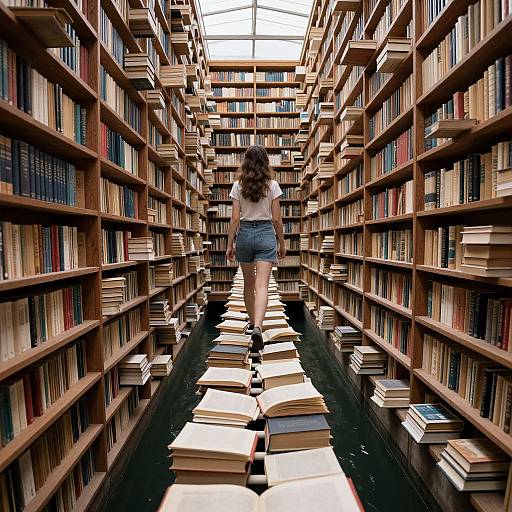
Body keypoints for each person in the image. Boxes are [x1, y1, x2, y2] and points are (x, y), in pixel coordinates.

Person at [226, 145, 285, 350]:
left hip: (244, 236)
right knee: (262, 285)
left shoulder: (237, 186)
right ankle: (259, 327)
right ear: (265, 162)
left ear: (246, 161)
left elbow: (234, 219)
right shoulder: (273, 185)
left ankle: (252, 324)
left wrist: (229, 244)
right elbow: (277, 219)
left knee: (248, 285)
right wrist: (282, 243)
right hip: (265, 234)